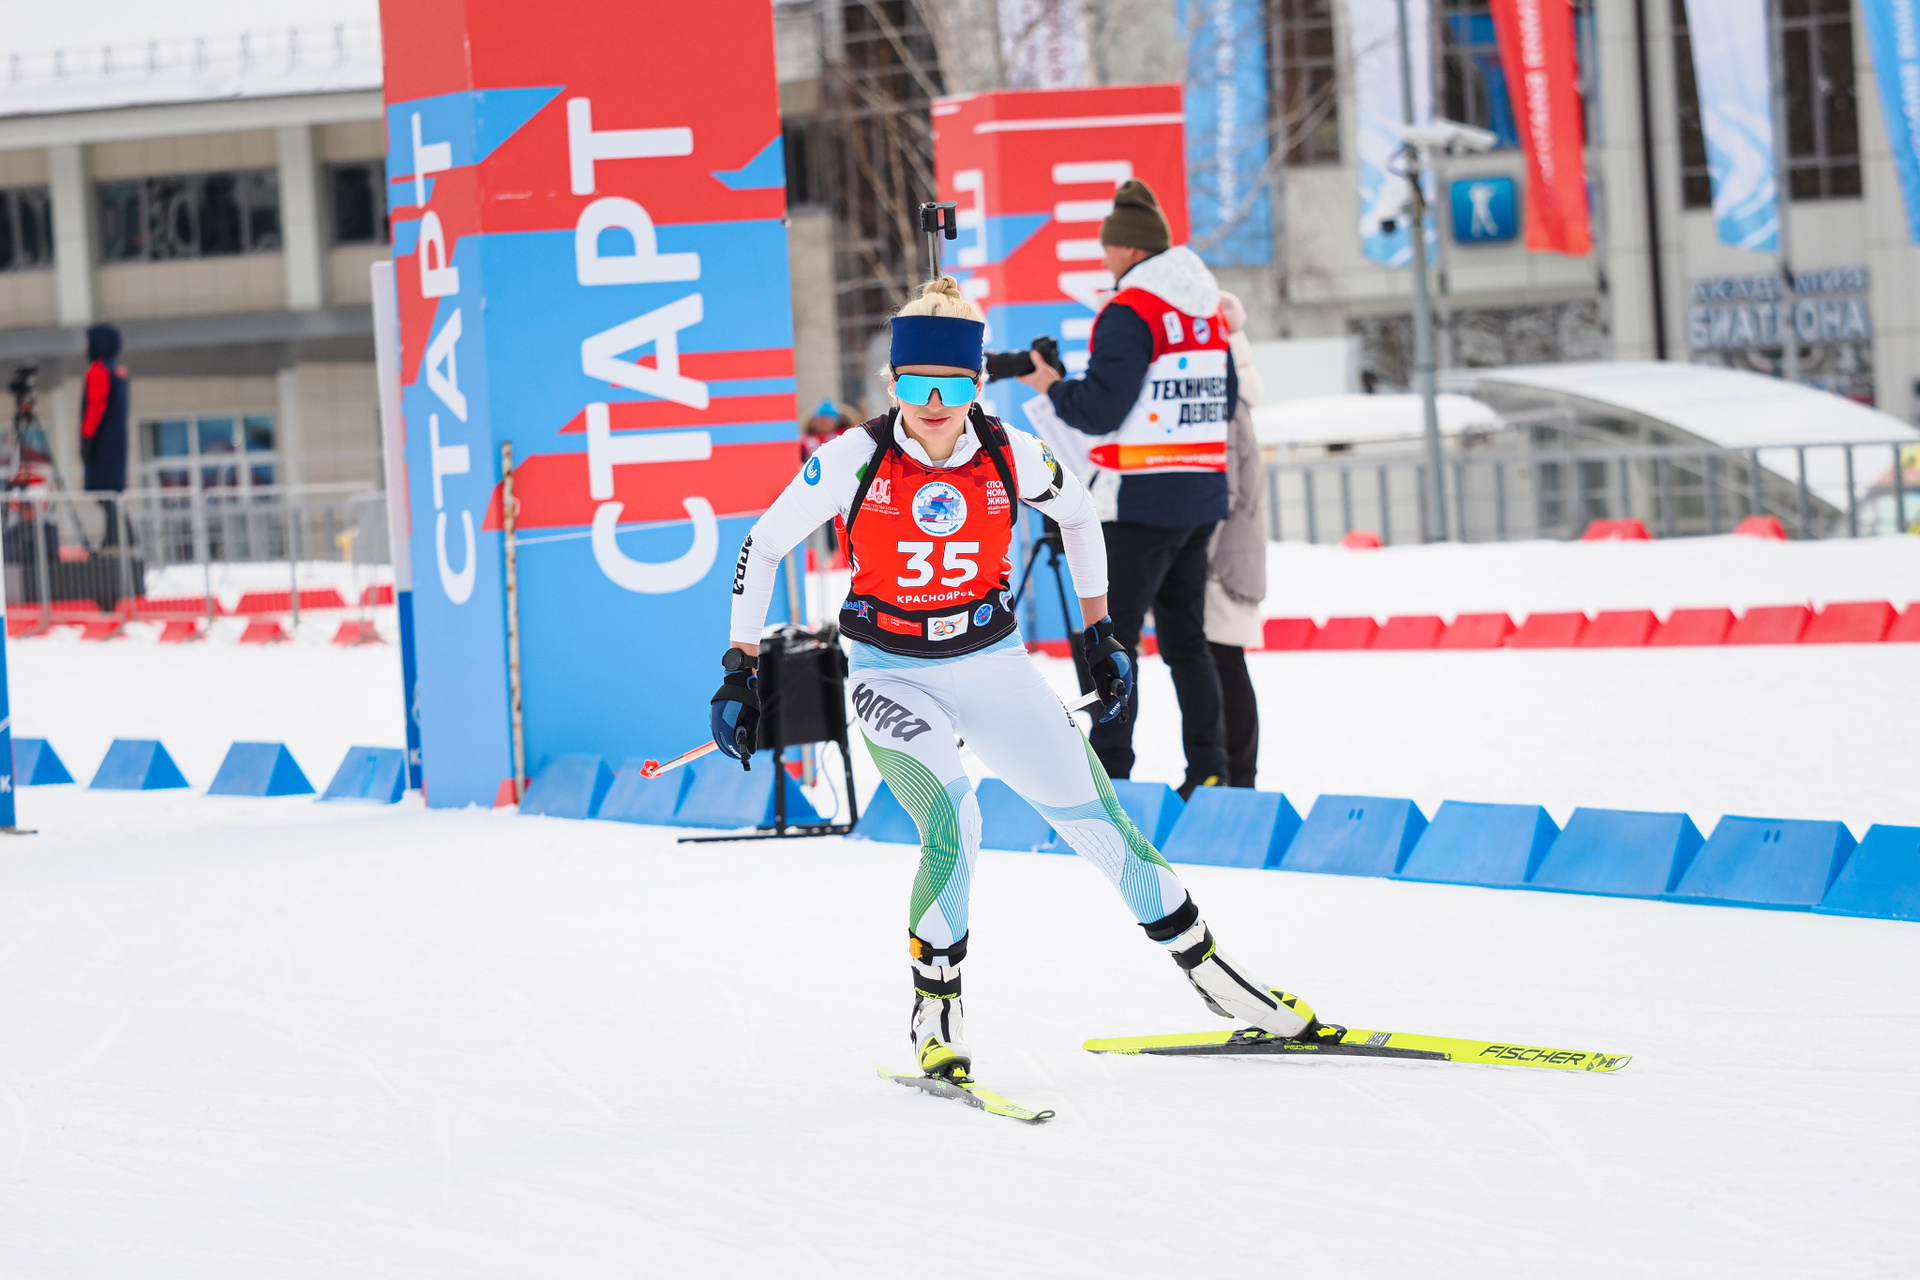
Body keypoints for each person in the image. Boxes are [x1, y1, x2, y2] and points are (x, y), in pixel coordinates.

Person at [711, 277, 1333, 1081]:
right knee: (954, 820)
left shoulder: (1010, 450)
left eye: (952, 386)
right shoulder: (854, 457)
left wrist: (1101, 630)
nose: (934, 405)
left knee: (1102, 823)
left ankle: (1215, 976)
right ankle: (936, 1011)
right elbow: (761, 546)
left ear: (977, 383)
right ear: (893, 384)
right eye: (915, 387)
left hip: (991, 664)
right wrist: (740, 668)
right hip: (891, 676)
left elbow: (1079, 514)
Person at [1017, 179, 1234, 798]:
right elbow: (1226, 398)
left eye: (1109, 248)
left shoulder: (1130, 309)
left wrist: (1053, 388)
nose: (1105, 258)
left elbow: (1101, 409)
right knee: (1188, 643)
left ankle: (1111, 772)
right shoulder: (1206, 310)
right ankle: (1210, 770)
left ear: (1131, 249)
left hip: (1137, 500)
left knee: (1110, 640)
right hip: (1199, 492)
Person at [1206, 291, 1267, 788]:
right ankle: (1234, 776)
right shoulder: (1235, 392)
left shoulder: (1224, 398)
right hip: (1229, 555)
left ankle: (1236, 779)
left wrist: (1193, 554)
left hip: (1219, 562)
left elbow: (1222, 489)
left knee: (1223, 664)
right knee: (1223, 663)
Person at [78, 323, 131, 546]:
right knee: (112, 497)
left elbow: (96, 407)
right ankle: (122, 538)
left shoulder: (98, 371)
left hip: (101, 446)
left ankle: (117, 540)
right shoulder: (119, 371)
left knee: (105, 496)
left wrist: (87, 439)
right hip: (116, 446)